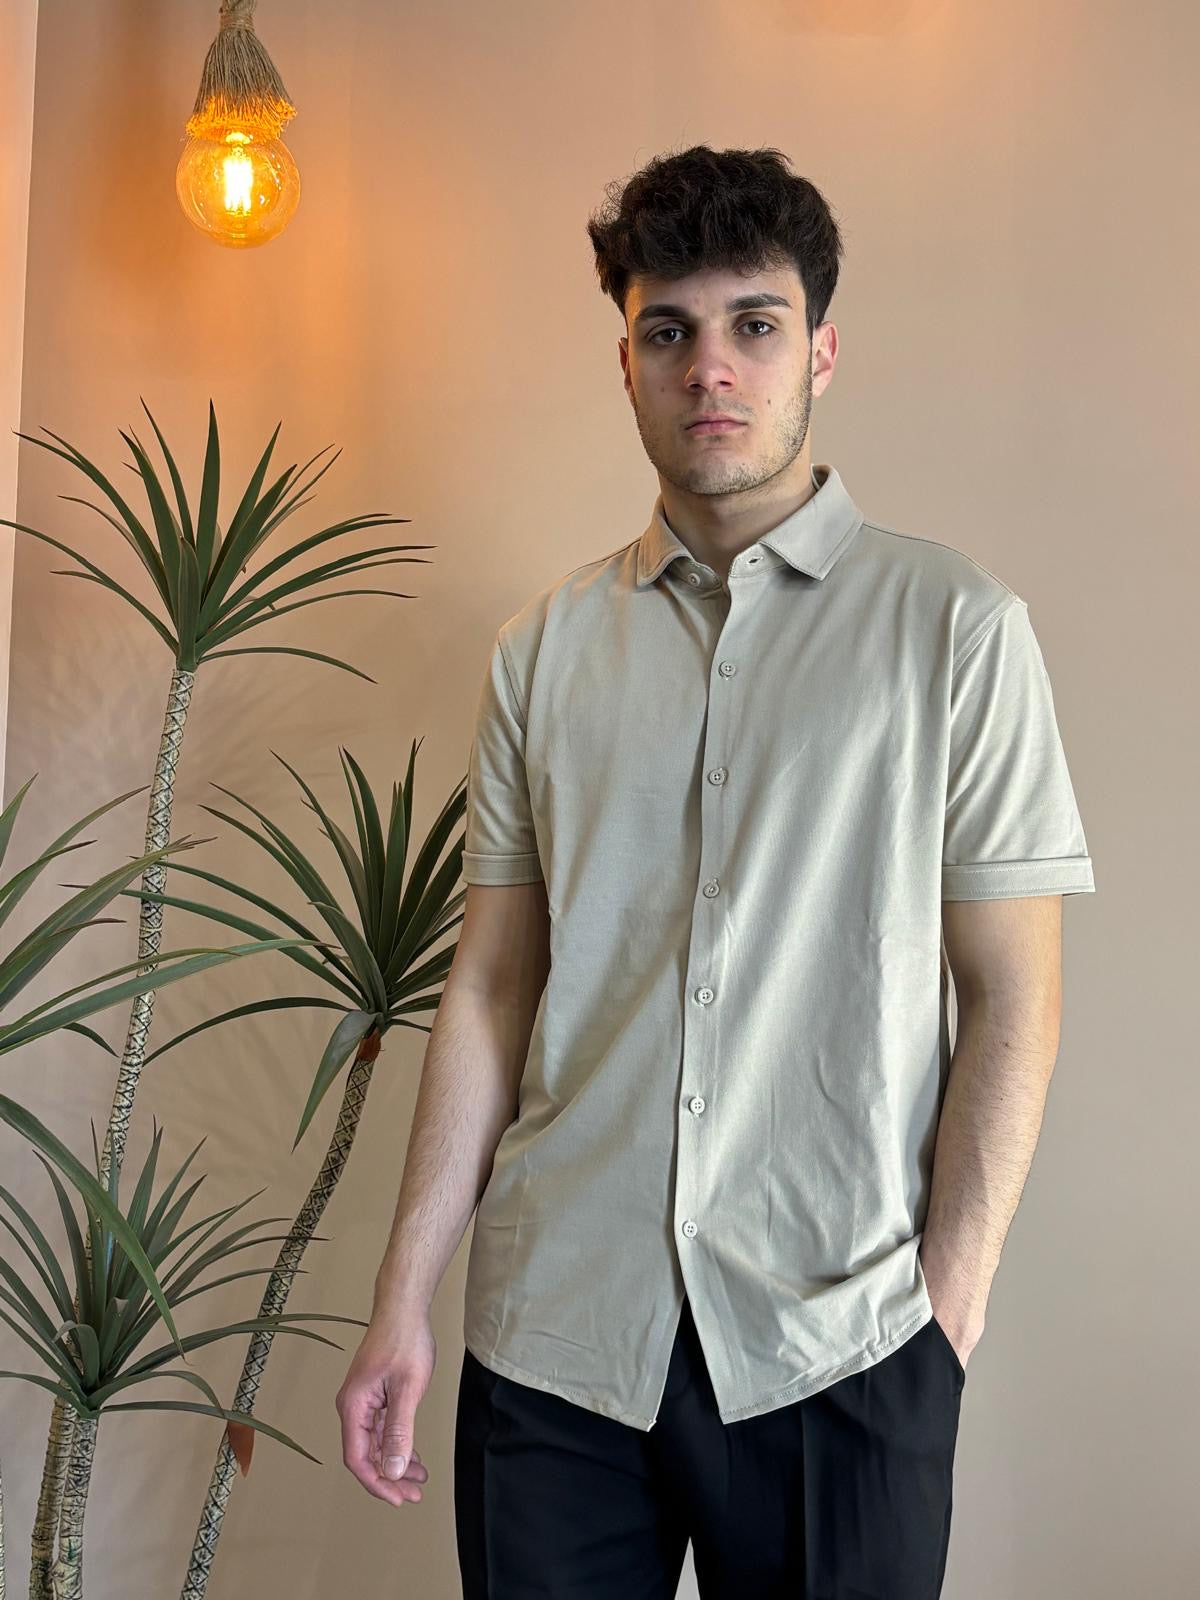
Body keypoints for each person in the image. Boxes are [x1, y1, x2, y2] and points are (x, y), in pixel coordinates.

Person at [336, 144, 1095, 1597]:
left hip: (839, 1342)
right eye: (669, 331)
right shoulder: (543, 651)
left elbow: (1016, 997)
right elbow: (489, 989)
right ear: (624, 361)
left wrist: (945, 1316)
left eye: (755, 323)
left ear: (822, 351)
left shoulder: (955, 631)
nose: (711, 369)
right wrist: (402, 1297)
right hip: (558, 1342)